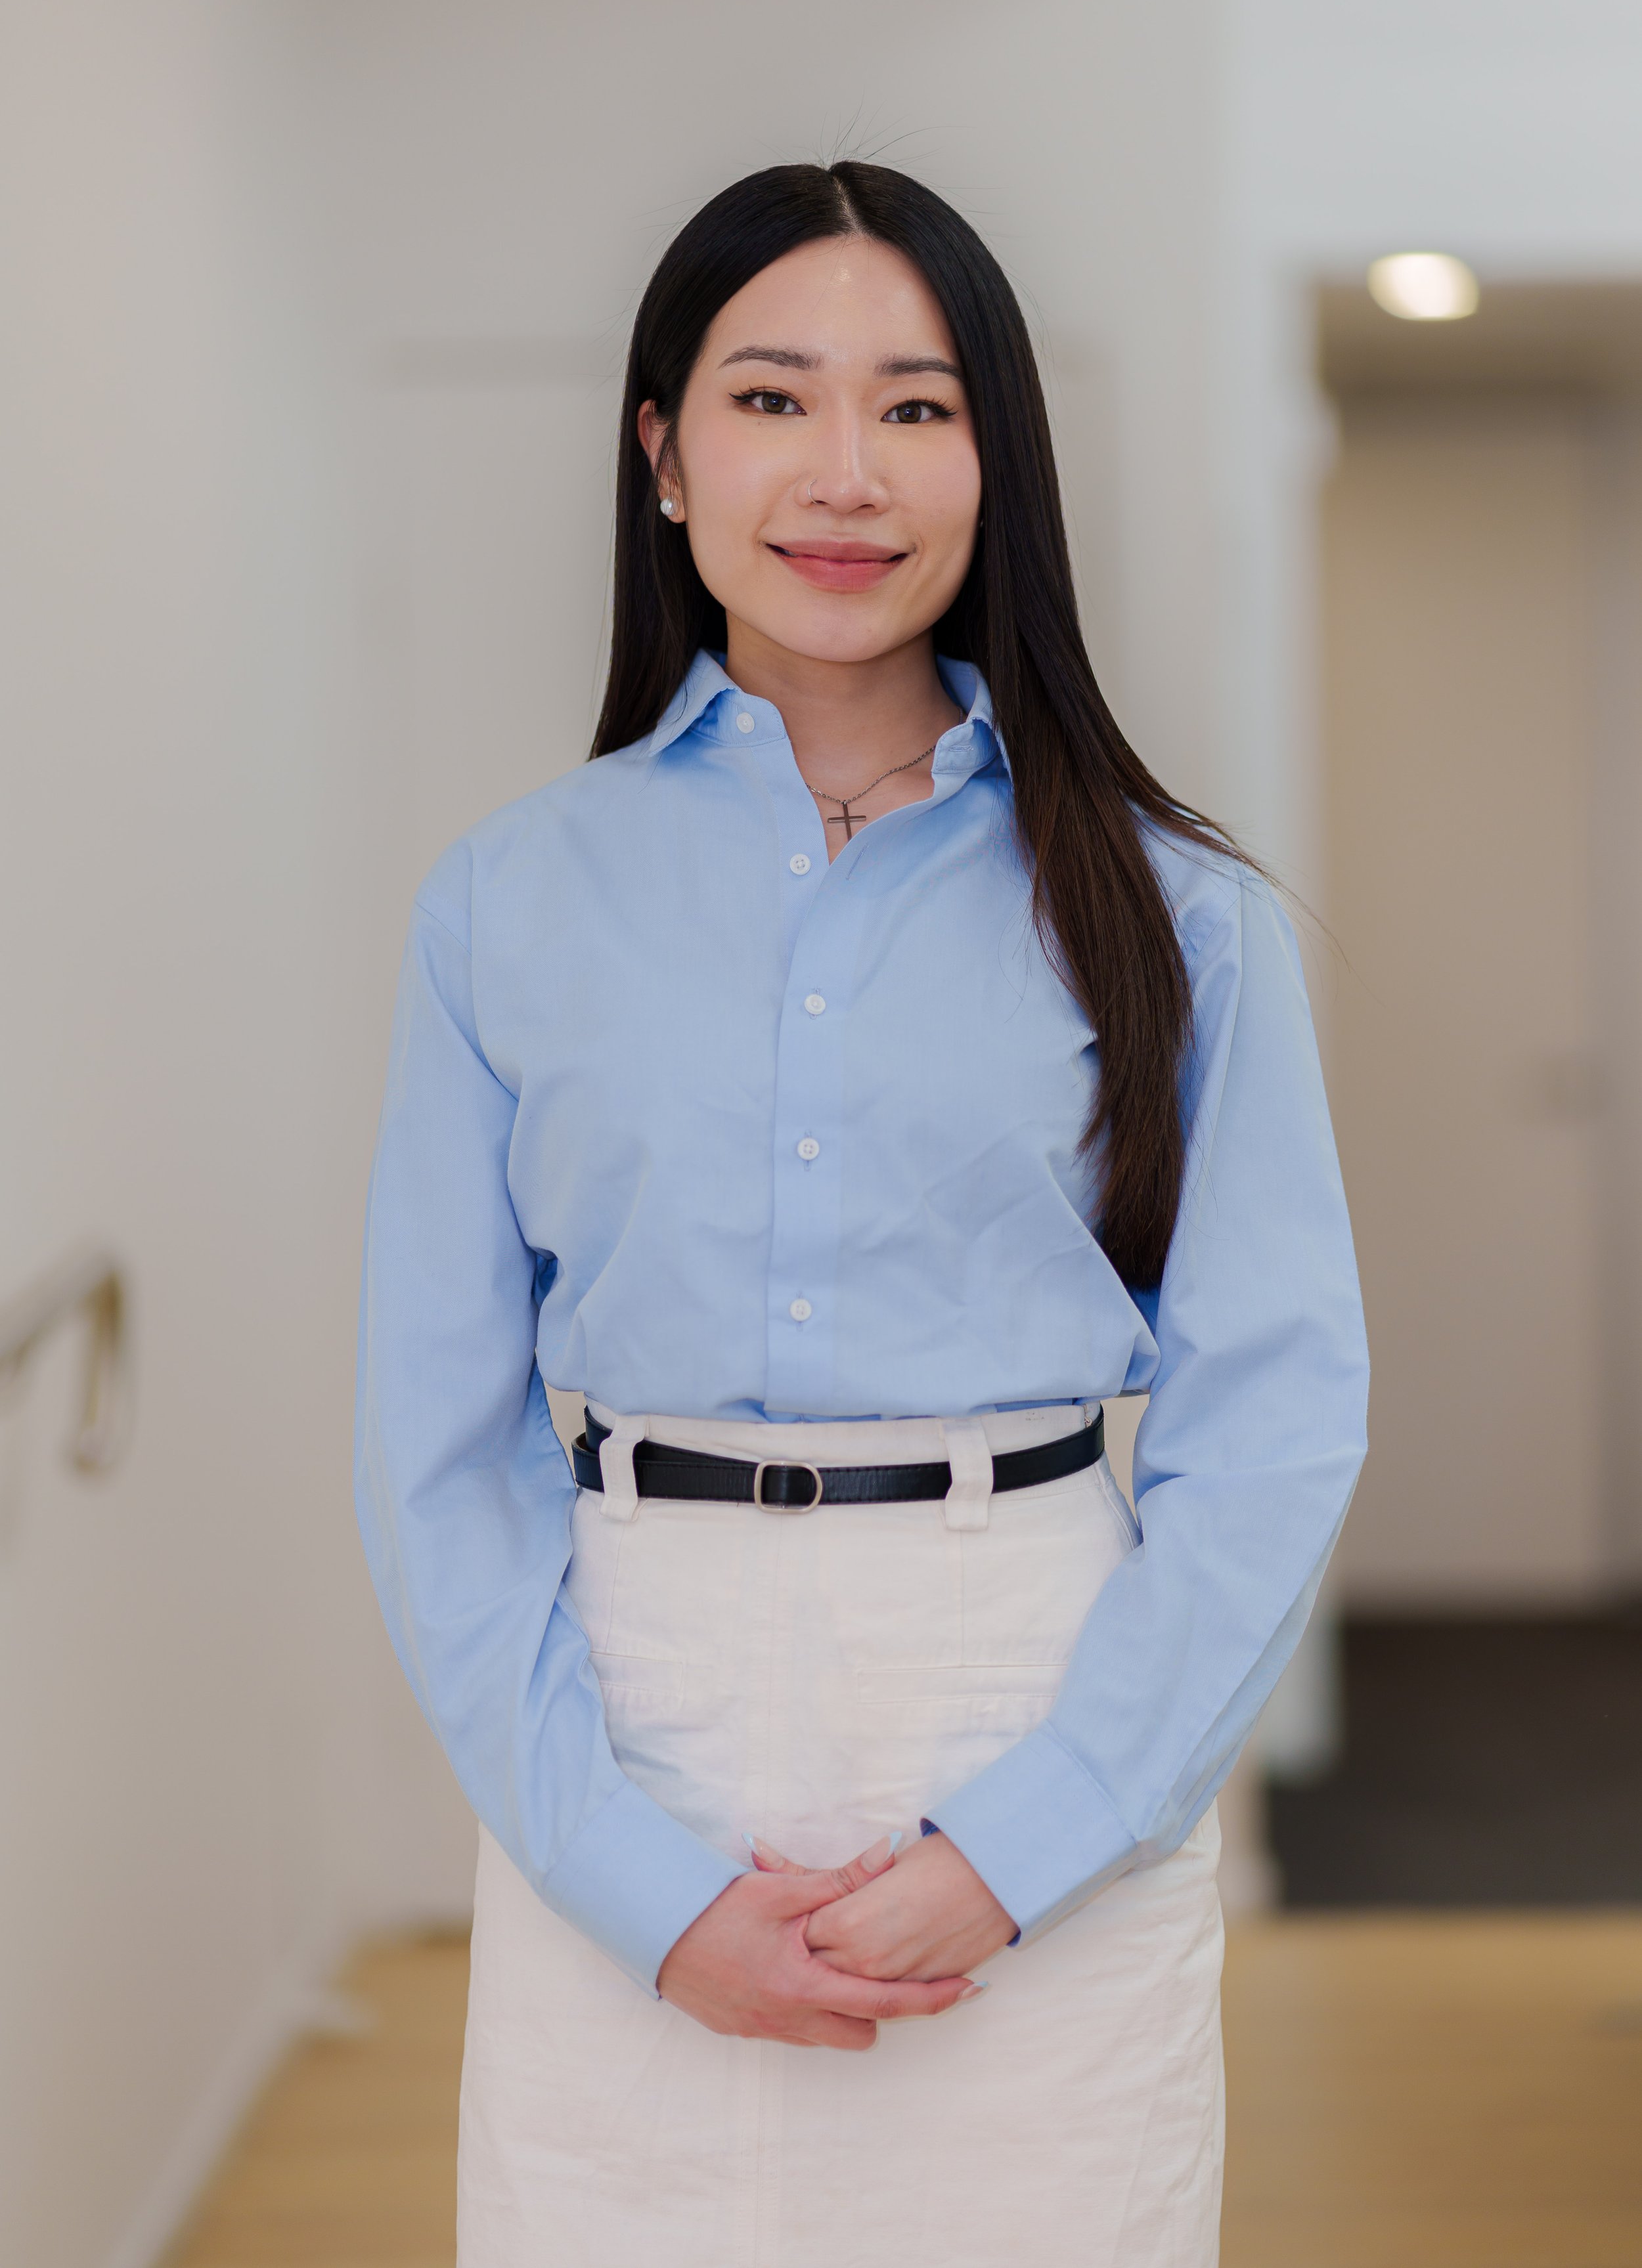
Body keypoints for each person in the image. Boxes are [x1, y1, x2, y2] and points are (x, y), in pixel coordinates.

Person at [355, 159, 1369, 2267]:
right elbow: (436, 1454)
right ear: (660, 454)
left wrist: (1030, 1841)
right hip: (634, 1723)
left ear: (996, 460)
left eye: (916, 407)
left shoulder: (1180, 918)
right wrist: (643, 1892)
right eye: (770, 398)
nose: (844, 472)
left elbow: (1270, 1424)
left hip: (1037, 1692)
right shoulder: (509, 899)